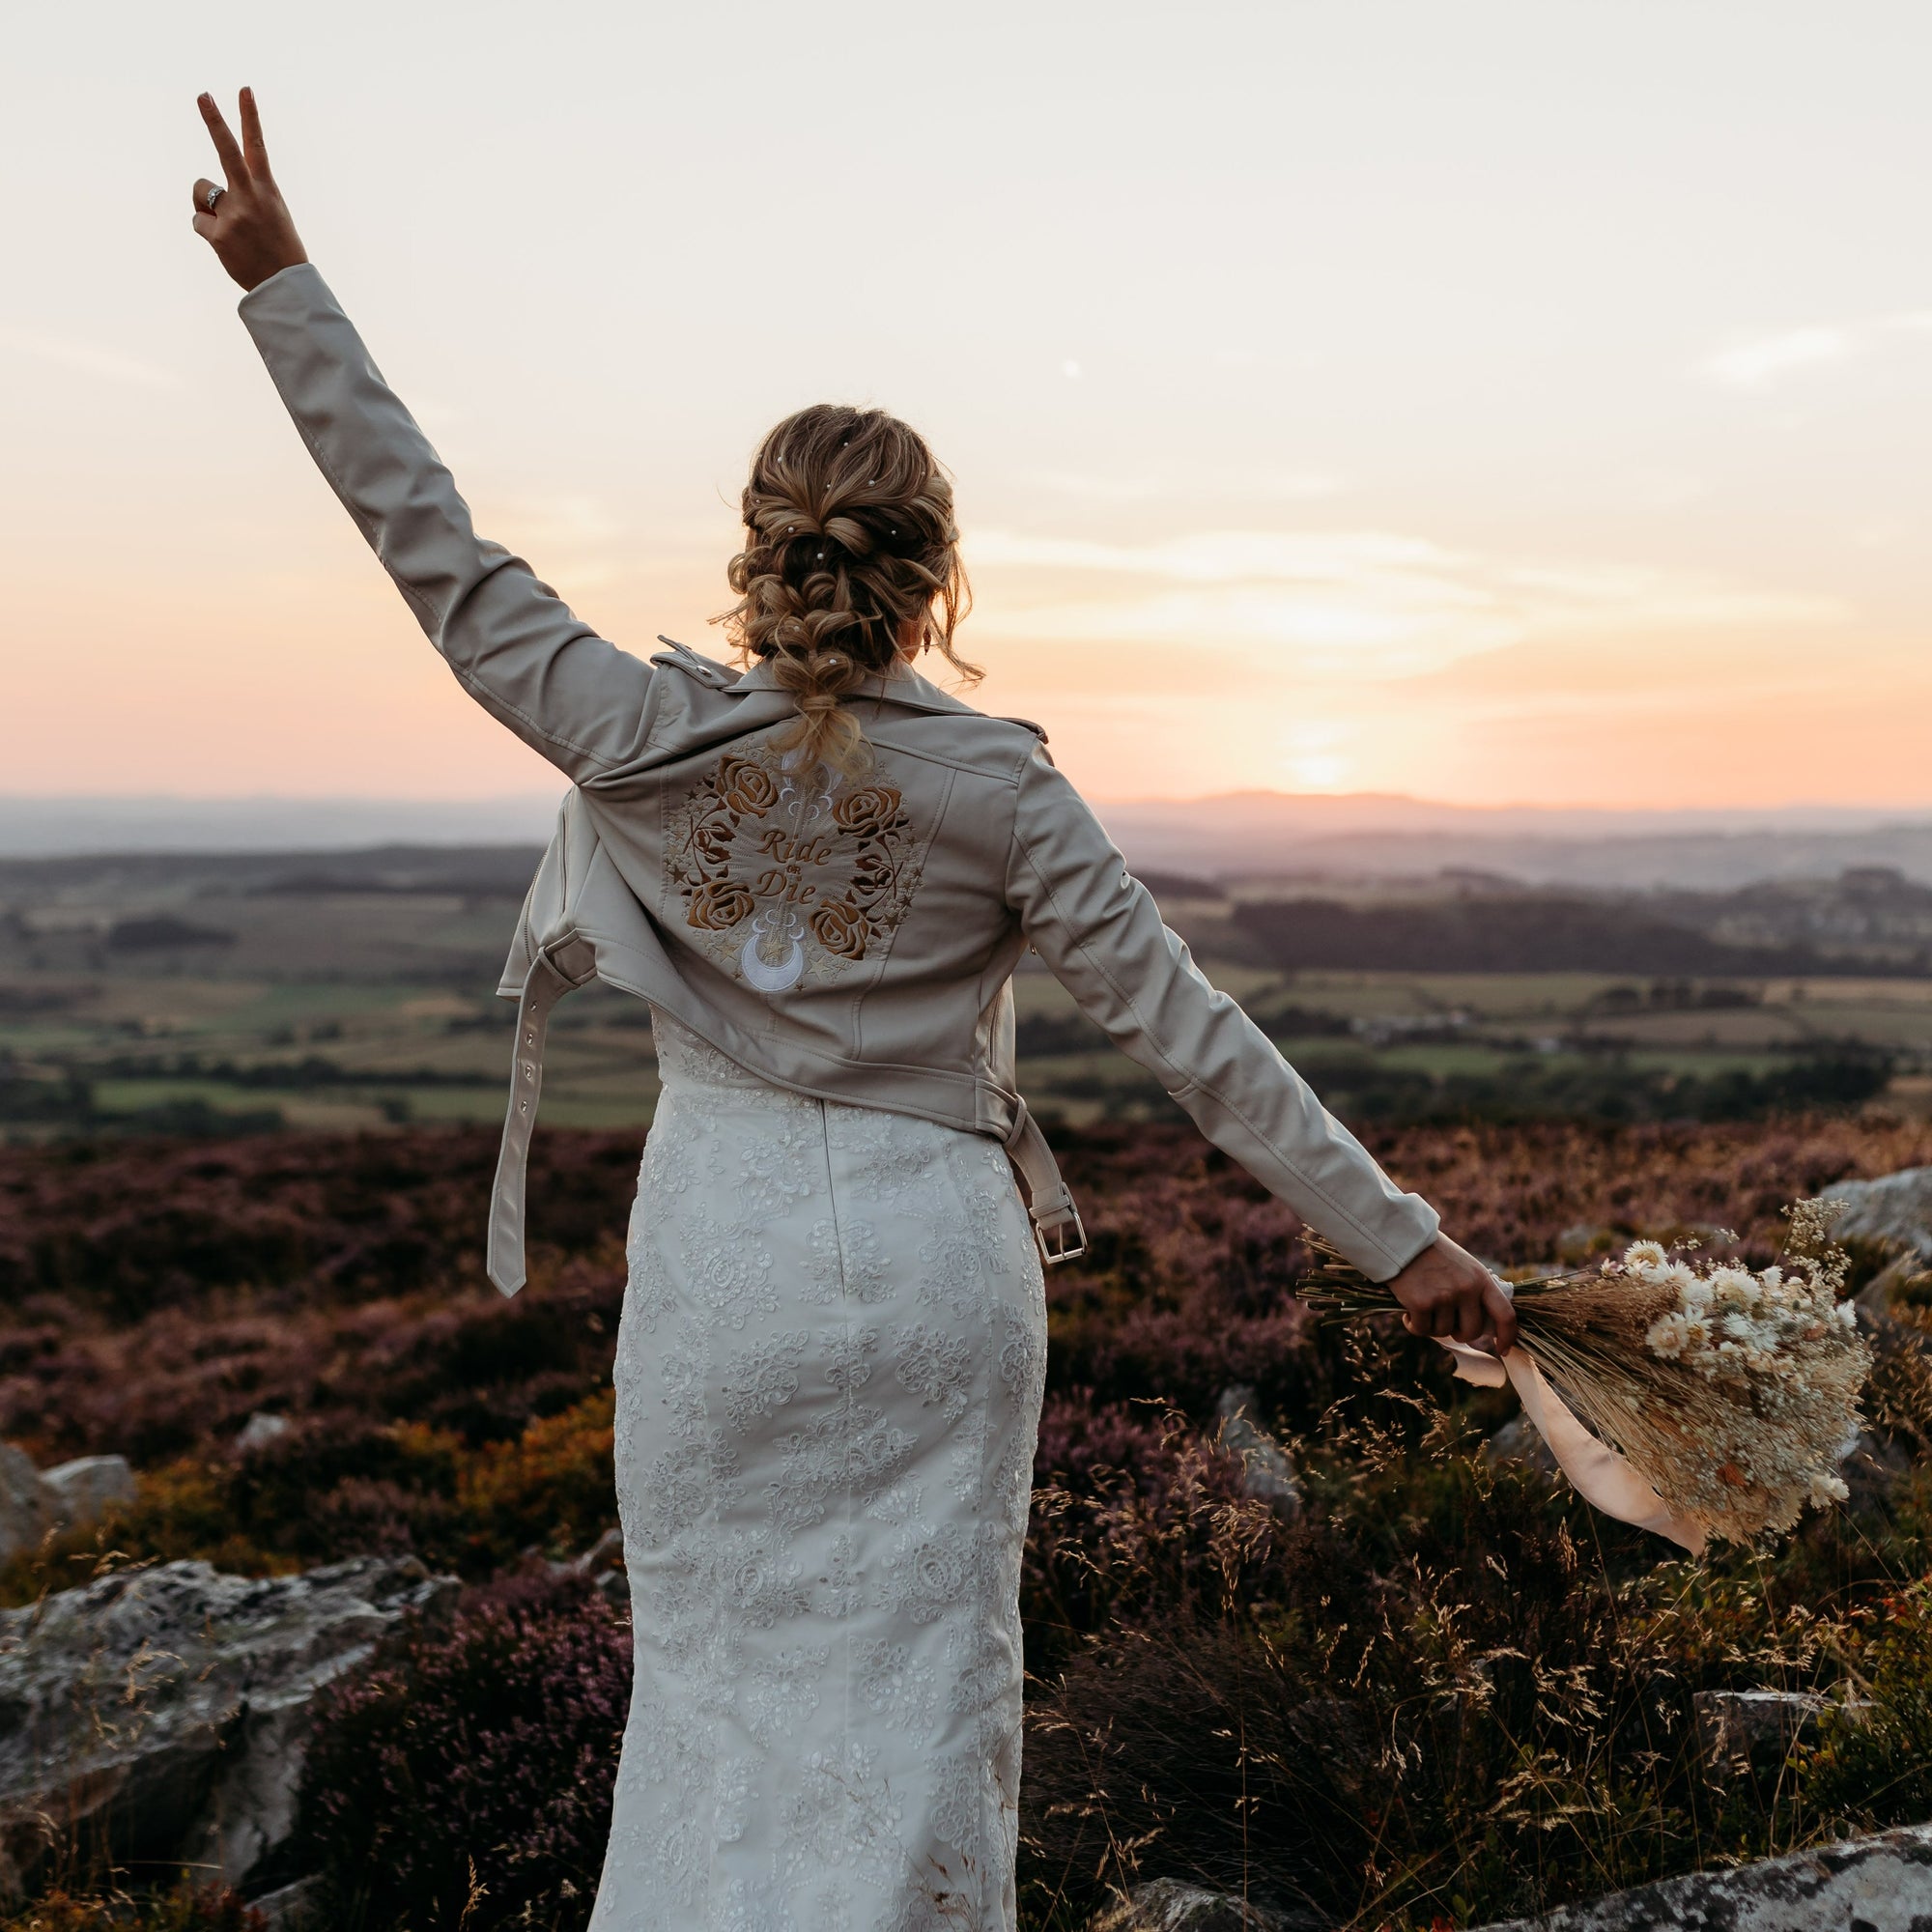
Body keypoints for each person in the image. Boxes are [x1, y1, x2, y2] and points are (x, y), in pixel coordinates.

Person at [189, 88, 1515, 1932]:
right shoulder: (1007, 791)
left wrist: (283, 287)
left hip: (723, 1266)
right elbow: (1195, 1042)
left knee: (718, 1708)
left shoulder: (637, 733)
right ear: (933, 577)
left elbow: (441, 558)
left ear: (764, 553)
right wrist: (1404, 1244)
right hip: (928, 1271)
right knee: (920, 1710)